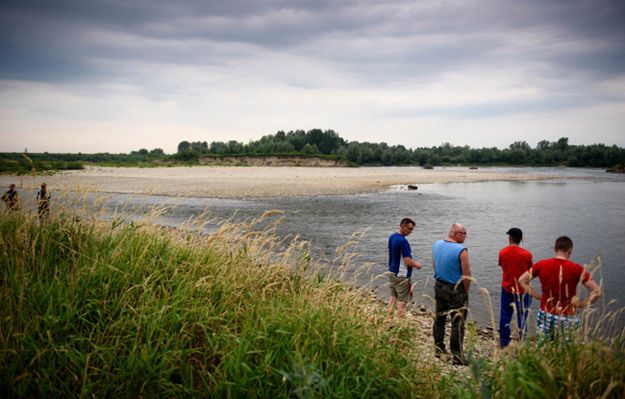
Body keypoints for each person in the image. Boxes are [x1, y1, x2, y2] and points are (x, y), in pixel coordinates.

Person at [519, 236, 601, 341]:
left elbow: (522, 280)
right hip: (567, 316)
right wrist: (582, 304)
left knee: (544, 346)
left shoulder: (541, 265)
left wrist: (536, 296)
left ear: (555, 249)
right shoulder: (577, 269)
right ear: (570, 251)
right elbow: (597, 292)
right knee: (565, 349)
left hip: (546, 314)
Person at [432, 223, 471, 365]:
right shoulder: (462, 250)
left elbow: (434, 265)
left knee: (440, 319)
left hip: (439, 285)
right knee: (458, 323)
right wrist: (465, 290)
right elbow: (467, 274)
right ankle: (457, 355)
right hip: (455, 290)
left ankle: (438, 348)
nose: (466, 236)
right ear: (455, 233)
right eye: (464, 233)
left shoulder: (436, 244)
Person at [498, 227, 533, 348]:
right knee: (522, 316)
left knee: (505, 315)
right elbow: (530, 272)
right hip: (522, 290)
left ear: (510, 238)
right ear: (521, 239)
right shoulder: (527, 255)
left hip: (507, 288)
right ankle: (522, 340)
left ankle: (504, 342)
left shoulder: (502, 252)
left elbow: (502, 266)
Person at [387, 217, 422, 318]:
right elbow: (407, 261)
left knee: (393, 297)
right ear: (402, 226)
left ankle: (386, 319)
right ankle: (399, 324)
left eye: (412, 230)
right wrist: (416, 265)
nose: (410, 232)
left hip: (392, 272)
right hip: (402, 275)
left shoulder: (392, 237)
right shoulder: (403, 242)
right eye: (409, 229)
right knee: (402, 302)